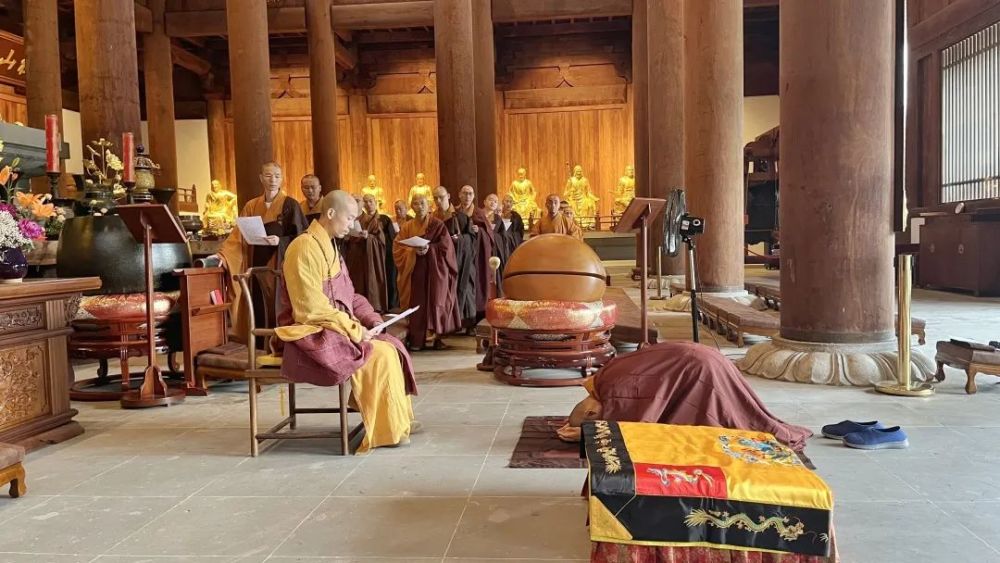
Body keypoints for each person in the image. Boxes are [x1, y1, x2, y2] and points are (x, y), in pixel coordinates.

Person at [275, 190, 418, 452]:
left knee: (390, 344)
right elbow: (310, 307)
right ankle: (386, 430)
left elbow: (350, 296)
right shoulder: (303, 247)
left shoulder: (330, 246)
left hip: (334, 324)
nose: (353, 225)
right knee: (378, 354)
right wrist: (353, 329)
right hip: (309, 330)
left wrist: (373, 320)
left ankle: (395, 421)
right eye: (349, 218)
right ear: (330, 213)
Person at [557, 342, 813, 452]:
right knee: (734, 408)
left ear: (592, 414)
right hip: (699, 357)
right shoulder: (603, 377)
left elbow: (636, 429)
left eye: (595, 421)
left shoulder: (615, 394)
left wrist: (588, 436)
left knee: (729, 418)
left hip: (700, 368)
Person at [216, 161, 309, 340]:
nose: (272, 180)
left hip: (279, 266)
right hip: (255, 264)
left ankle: (279, 344)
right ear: (261, 178)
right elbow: (237, 236)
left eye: (277, 176)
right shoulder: (251, 206)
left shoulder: (290, 205)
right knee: (257, 305)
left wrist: (280, 241)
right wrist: (223, 255)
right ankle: (257, 344)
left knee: (278, 306)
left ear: (282, 179)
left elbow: (302, 238)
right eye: (268, 176)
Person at [393, 194, 460, 350]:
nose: (420, 206)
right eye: (415, 204)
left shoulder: (437, 225)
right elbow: (397, 247)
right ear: (412, 207)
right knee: (418, 303)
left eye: (422, 203)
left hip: (435, 269)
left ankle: (437, 338)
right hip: (416, 270)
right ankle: (417, 339)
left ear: (429, 205)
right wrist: (412, 252)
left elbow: (446, 247)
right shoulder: (408, 227)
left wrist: (430, 249)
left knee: (436, 300)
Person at [432, 186, 476, 329]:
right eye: (435, 198)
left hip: (460, 261)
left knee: (463, 289)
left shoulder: (460, 217)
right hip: (439, 262)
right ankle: (446, 325)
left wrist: (461, 240)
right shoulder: (432, 219)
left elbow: (471, 238)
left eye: (441, 197)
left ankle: (465, 323)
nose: (438, 201)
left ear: (449, 196)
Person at [345, 193, 389, 312]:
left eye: (358, 201)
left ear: (362, 203)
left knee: (367, 285)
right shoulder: (346, 219)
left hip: (367, 259)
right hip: (351, 258)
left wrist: (368, 237)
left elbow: (381, 241)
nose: (355, 203)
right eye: (352, 201)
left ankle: (370, 311)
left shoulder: (371, 220)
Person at [456, 185, 494, 321]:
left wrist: (480, 232)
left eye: (470, 194)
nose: (467, 197)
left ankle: (473, 319)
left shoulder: (479, 213)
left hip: (475, 257)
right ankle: (458, 320)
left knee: (474, 286)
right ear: (459, 195)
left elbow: (490, 235)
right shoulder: (455, 212)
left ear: (473, 196)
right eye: (464, 193)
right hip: (459, 256)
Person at [495, 194, 525, 276]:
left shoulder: (516, 216)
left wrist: (510, 236)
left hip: (512, 243)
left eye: (511, 202)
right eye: (507, 201)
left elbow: (520, 231)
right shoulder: (497, 215)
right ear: (502, 203)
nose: (509, 204)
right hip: (499, 244)